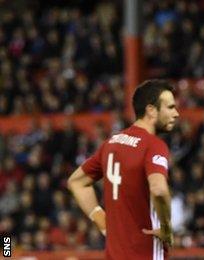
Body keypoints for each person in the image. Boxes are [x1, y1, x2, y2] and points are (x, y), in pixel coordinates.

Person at [68, 80, 179, 259]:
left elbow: (76, 182)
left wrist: (101, 220)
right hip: (144, 253)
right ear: (151, 110)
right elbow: (159, 190)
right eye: (170, 107)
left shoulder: (111, 143)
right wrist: (166, 228)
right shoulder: (154, 145)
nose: (176, 113)